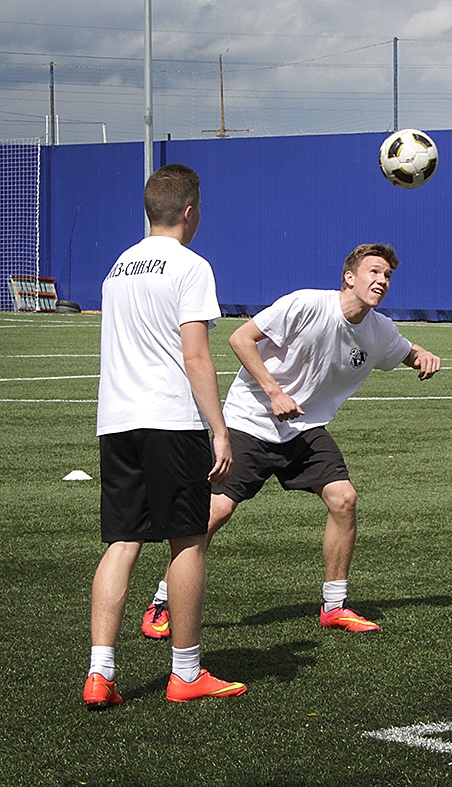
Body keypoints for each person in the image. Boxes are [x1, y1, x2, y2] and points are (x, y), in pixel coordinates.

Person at [139, 242, 441, 639]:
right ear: (349, 277)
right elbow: (240, 339)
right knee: (214, 514)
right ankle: (162, 602)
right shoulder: (306, 304)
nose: (382, 280)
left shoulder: (379, 330)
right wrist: (274, 392)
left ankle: (334, 606)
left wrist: (421, 355)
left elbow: (402, 351)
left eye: (387, 275)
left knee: (344, 499)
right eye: (373, 271)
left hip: (303, 428)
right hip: (251, 420)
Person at [86, 163, 247, 707]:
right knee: (188, 539)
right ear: (190, 212)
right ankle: (186, 673)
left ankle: (100, 672)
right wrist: (219, 429)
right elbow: (195, 354)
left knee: (122, 541)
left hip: (117, 420)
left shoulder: (118, 267)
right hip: (171, 420)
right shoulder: (191, 266)